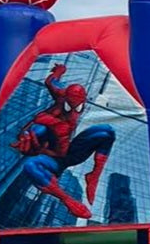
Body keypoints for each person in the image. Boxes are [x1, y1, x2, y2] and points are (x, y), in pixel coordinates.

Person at [11, 63, 115, 220]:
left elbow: (50, 82)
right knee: (30, 165)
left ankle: (93, 176)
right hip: (53, 158)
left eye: (78, 108)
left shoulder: (66, 103)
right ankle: (67, 200)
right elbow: (49, 84)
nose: (73, 113)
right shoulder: (52, 118)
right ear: (64, 97)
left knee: (106, 131)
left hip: (67, 151)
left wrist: (59, 72)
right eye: (69, 107)